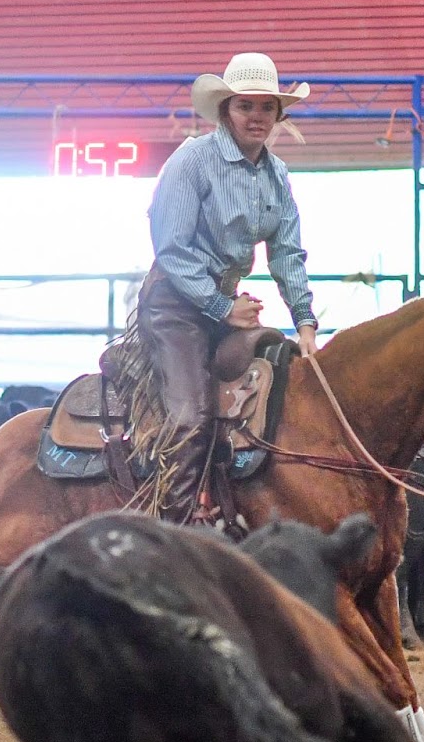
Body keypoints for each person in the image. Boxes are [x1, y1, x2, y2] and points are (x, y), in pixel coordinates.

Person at [137, 51, 319, 525]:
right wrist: (222, 306)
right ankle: (174, 534)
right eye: (245, 106)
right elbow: (171, 248)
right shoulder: (193, 160)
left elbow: (287, 252)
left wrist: (304, 320)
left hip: (226, 303)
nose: (256, 117)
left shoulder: (277, 174)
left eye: (266, 107)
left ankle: (243, 510)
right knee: (190, 416)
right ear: (226, 110)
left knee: (279, 383)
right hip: (175, 304)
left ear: (278, 114)